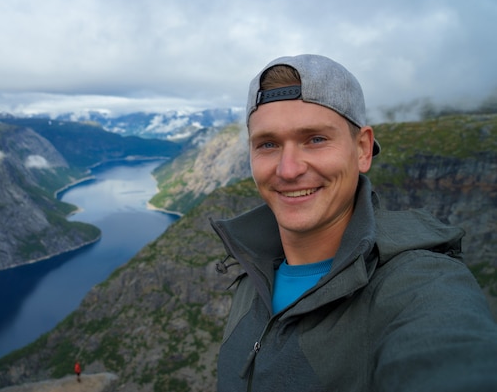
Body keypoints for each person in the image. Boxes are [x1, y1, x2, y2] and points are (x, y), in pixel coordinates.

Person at [211, 54, 497, 391]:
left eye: (315, 139)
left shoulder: (420, 284)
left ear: (362, 149)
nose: (288, 169)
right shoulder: (253, 276)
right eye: (268, 144)